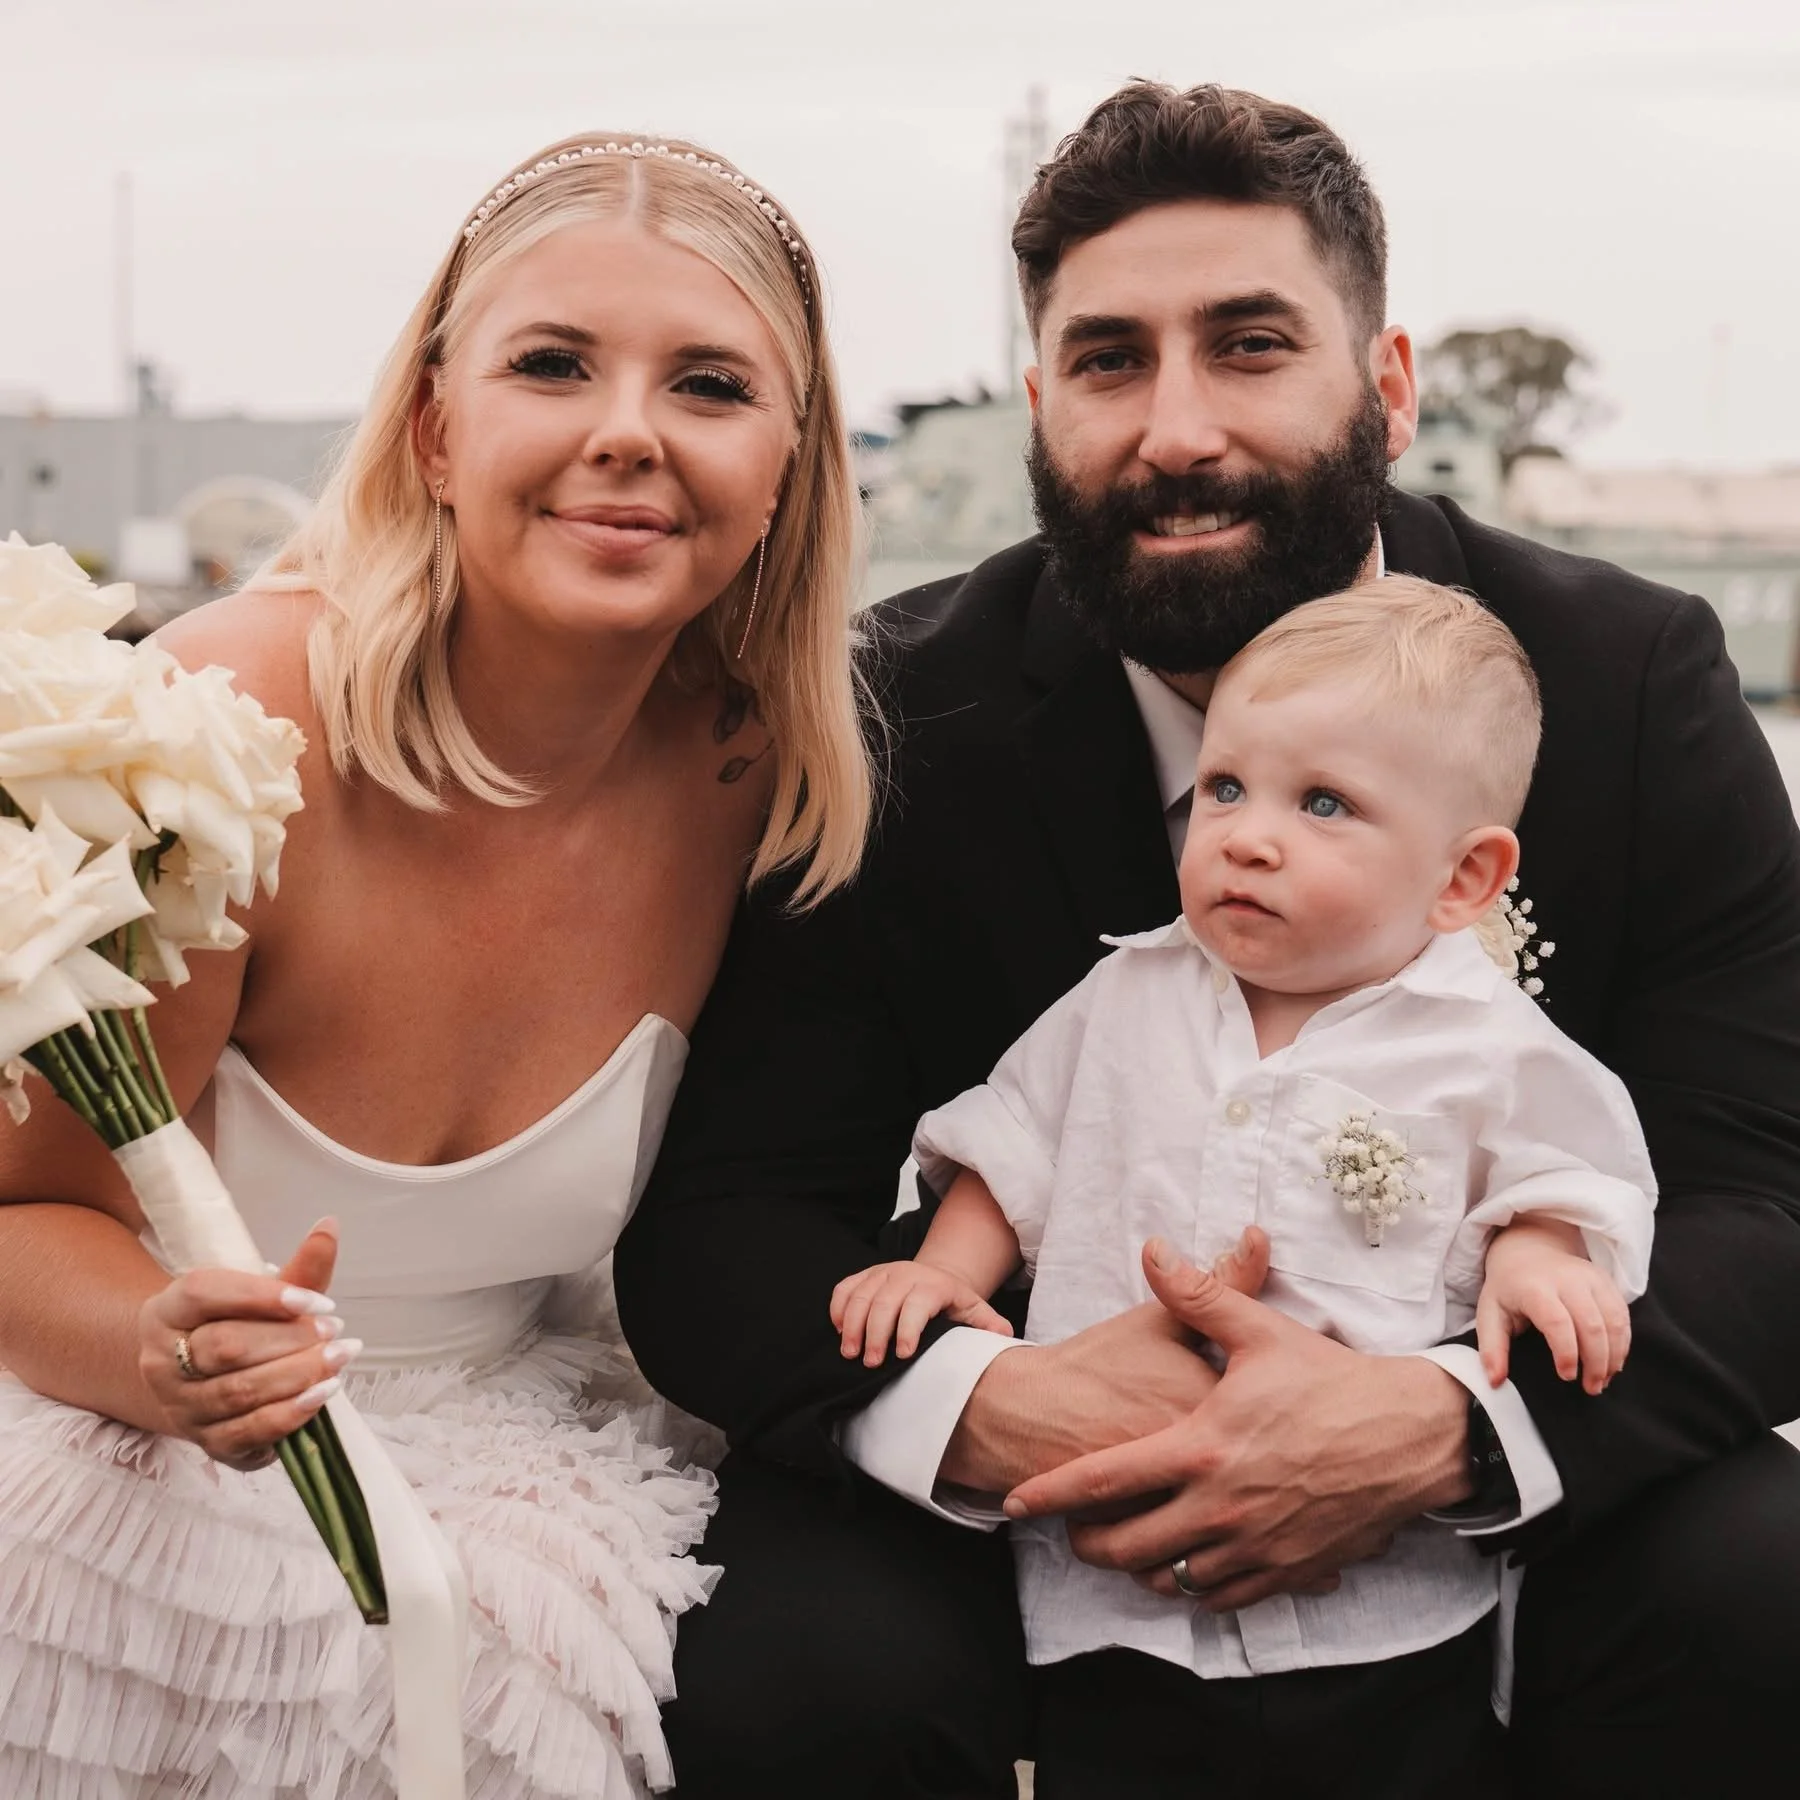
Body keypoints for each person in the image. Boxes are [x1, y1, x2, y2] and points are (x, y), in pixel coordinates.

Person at [616, 82, 1800, 1799]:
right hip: (1020, 1475)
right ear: (1039, 406)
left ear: (1386, 389)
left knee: (1765, 1587)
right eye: (1108, 363)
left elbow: (1767, 1194)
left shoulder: (1620, 681)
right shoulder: (890, 714)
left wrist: (1446, 1423)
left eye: (1249, 346)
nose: (1175, 430)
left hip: (1513, 1465)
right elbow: (726, 1225)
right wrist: (998, 1404)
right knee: (795, 1669)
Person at [0, 132, 871, 1798]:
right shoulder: (224, 744)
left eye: (709, 382)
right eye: (554, 364)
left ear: (787, 466)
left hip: (536, 1473)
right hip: (134, 1456)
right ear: (436, 425)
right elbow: (21, 1216)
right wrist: (165, 1350)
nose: (628, 430)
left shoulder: (761, 782)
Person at [831, 579, 1655, 1790]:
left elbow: (1563, 1171)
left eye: (1324, 804)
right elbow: (1014, 1150)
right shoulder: (1123, 997)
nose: (1248, 835)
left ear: (1464, 879)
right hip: (1110, 1594)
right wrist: (941, 1276)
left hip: (1378, 1598)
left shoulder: (1487, 1044)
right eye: (1225, 789)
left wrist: (1539, 1255)